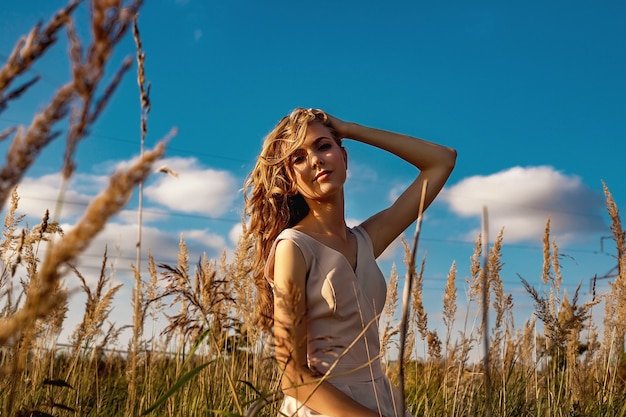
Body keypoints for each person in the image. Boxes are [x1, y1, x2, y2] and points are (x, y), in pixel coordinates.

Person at [244, 108, 456, 417]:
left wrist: (351, 128)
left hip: (381, 400)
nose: (315, 160)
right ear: (290, 180)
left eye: (323, 146)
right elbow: (293, 378)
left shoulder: (367, 239)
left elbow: (442, 161)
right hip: (323, 407)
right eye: (298, 158)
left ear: (344, 158)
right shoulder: (293, 247)